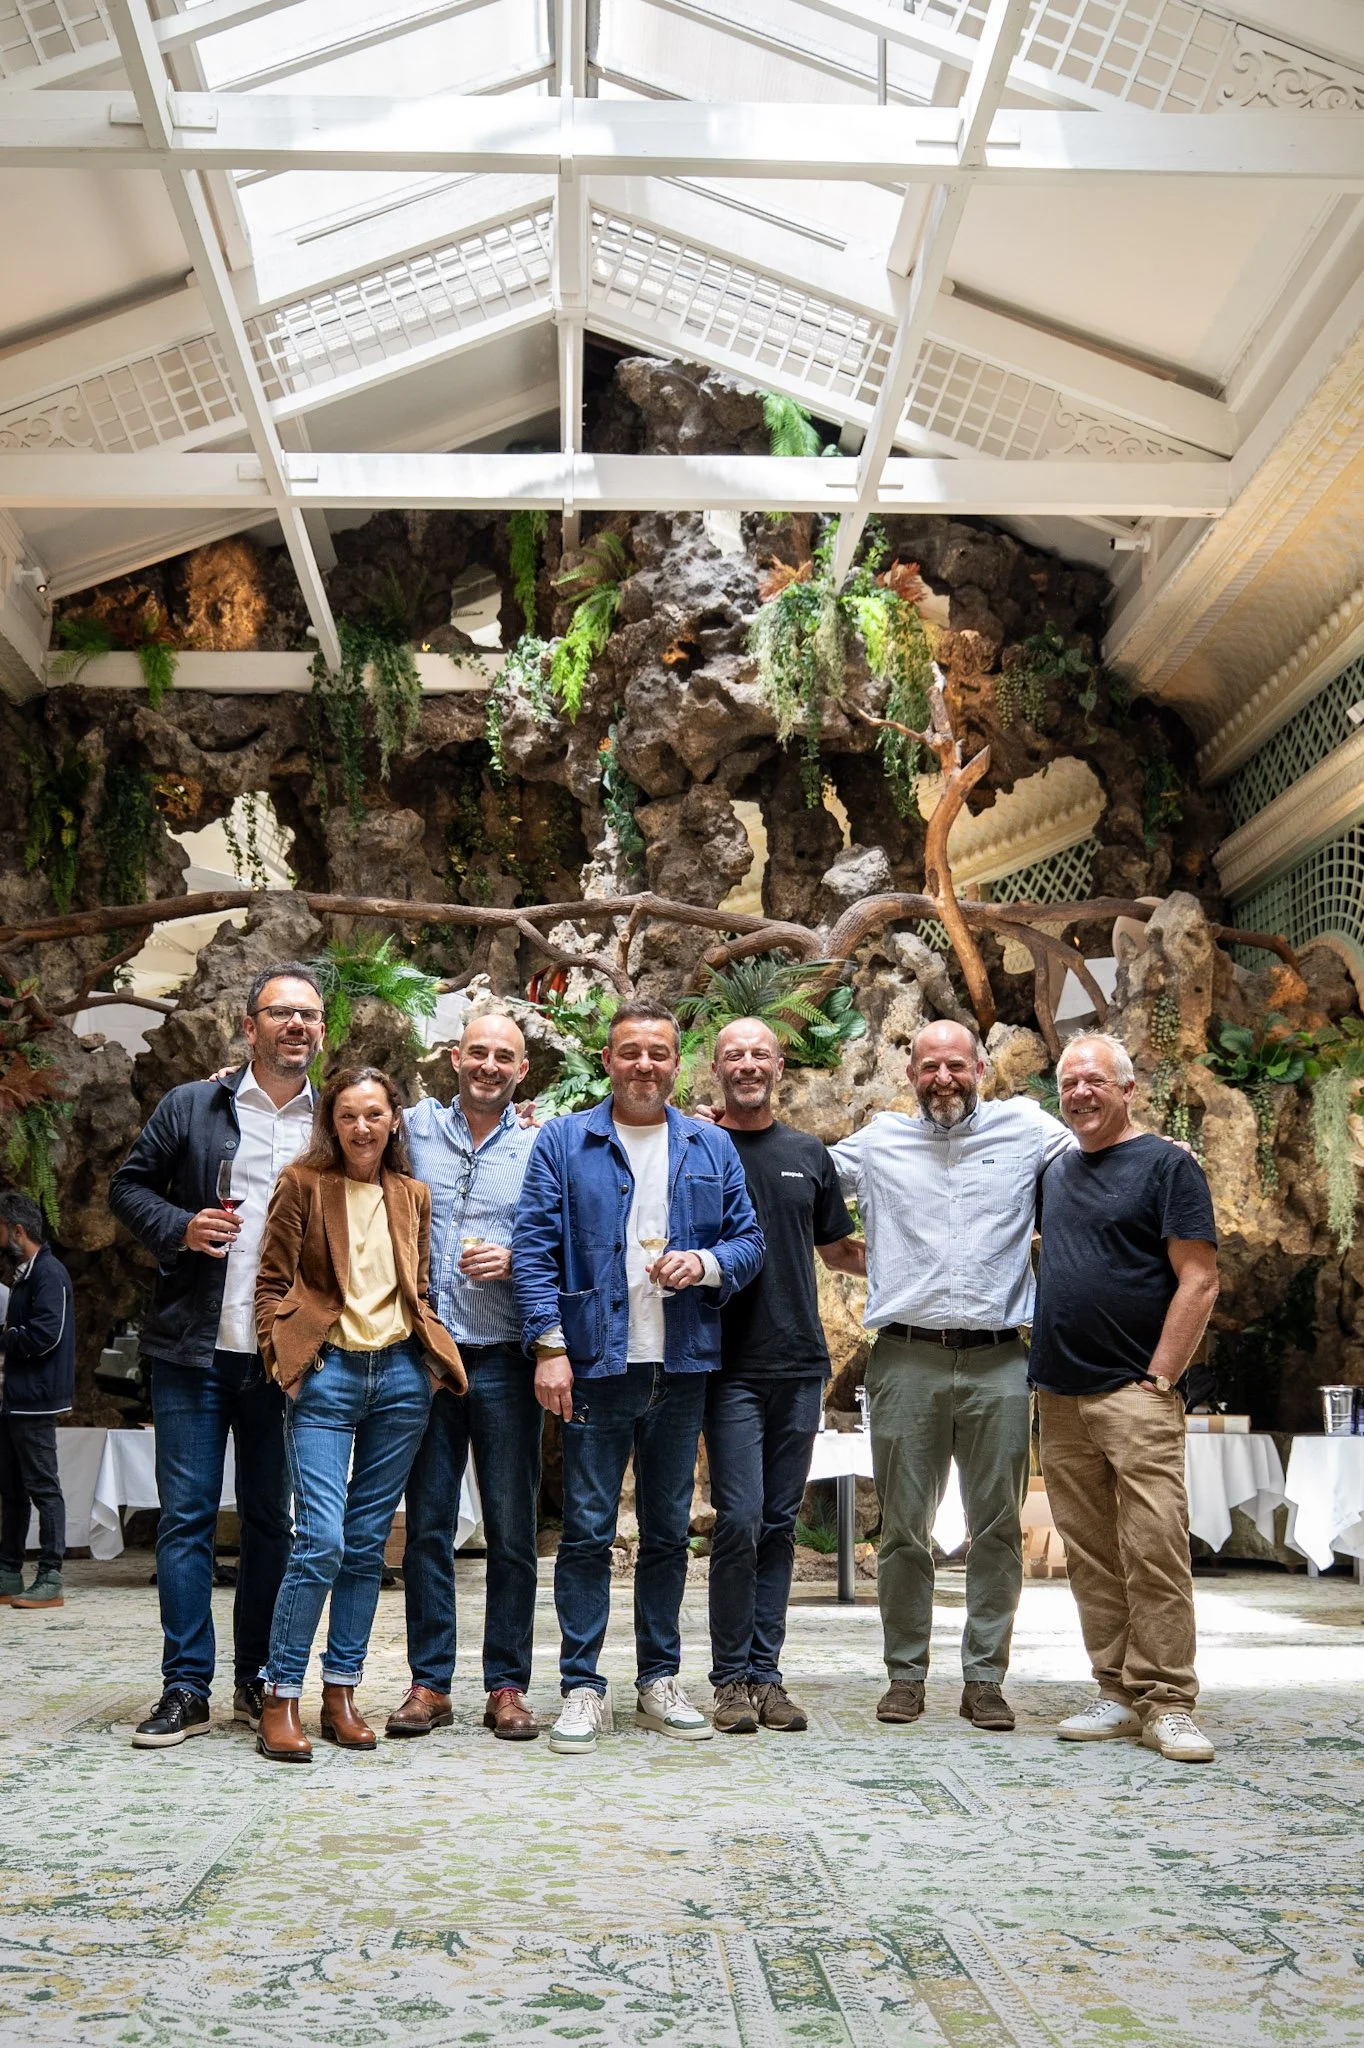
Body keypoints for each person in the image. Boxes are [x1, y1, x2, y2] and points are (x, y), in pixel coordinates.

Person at [513, 997, 764, 1755]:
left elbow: (748, 1241)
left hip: (681, 1361)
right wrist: (549, 1345)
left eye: (659, 1052)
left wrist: (709, 1262)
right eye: (631, 1052)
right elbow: (532, 1249)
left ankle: (658, 1678)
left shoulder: (708, 1146)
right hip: (596, 1365)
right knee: (587, 1533)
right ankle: (583, 1687)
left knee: (666, 1534)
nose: (645, 1065)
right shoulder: (564, 1141)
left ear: (677, 1062)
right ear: (609, 1060)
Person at [829, 1019, 1072, 1732]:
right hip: (906, 1357)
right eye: (929, 1066)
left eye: (956, 1065)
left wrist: (1160, 1150)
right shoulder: (878, 1144)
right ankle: (905, 1675)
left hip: (1000, 1356)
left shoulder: (1028, 1131)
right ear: (910, 1075)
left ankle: (985, 1679)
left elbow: (1101, 1152)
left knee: (997, 1526)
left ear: (981, 1068)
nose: (944, 1078)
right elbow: (798, 1179)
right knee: (904, 1527)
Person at [109, 963, 325, 1748]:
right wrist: (181, 1227)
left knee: (273, 1521)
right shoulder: (192, 1106)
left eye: (309, 1015)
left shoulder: (330, 1123)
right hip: (192, 1351)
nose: (296, 1025)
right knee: (188, 1521)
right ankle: (185, 1686)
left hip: (283, 1358)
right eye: (281, 1013)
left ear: (321, 1031)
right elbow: (127, 1190)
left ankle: (258, 1679)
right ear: (249, 1025)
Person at [253, 1066, 466, 1762]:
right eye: (348, 1115)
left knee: (368, 1547)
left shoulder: (412, 1194)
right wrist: (282, 1361)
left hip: (401, 1379)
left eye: (374, 1114)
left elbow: (421, 1285)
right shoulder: (303, 1184)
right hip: (327, 1374)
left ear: (393, 1121)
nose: (362, 1127)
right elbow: (271, 1281)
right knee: (320, 1540)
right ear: (333, 1123)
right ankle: (279, 1695)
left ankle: (341, 1692)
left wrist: (428, 1369)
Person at [1030, 1032, 1219, 1764]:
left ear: (1127, 1088)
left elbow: (1198, 1278)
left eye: (1094, 1081)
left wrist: (1162, 1376)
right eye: (1069, 1082)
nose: (1079, 1092)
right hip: (1060, 1394)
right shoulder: (1055, 1171)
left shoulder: (1168, 1165)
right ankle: (1114, 1690)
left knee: (1155, 1548)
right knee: (1091, 1554)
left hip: (1135, 1394)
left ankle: (1168, 1700)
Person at [386, 1002, 544, 1743]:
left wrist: (515, 1261)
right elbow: (330, 1114)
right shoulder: (412, 1129)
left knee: (513, 1529)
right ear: (455, 1057)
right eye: (477, 1053)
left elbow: (564, 1240)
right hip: (427, 1355)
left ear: (522, 1071)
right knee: (429, 1528)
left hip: (508, 1356)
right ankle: (429, 1682)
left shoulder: (544, 1144)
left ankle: (507, 1685)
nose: (488, 1066)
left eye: (503, 1058)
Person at [703, 1019, 860, 1734]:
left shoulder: (808, 1154)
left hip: (799, 1362)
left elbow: (837, 1250)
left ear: (778, 1063)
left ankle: (766, 1676)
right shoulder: (698, 1145)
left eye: (758, 1053)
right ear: (716, 1067)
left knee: (777, 1524)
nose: (746, 1064)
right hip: (726, 1363)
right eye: (733, 1054)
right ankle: (728, 1676)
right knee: (736, 1521)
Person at [0, 1191, 75, 1611]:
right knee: (11, 1490)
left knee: (45, 1488)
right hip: (15, 1401)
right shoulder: (25, 1275)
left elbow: (47, 1333)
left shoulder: (49, 1274)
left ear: (17, 1230)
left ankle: (50, 1576)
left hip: (35, 1402)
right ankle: (9, 1570)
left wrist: (4, 1337)